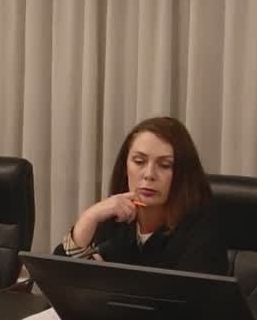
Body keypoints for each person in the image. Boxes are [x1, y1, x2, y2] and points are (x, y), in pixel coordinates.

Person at [54, 116, 228, 275]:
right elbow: (56, 282)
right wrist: (88, 219)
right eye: (139, 161)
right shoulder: (114, 219)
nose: (149, 174)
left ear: (183, 173)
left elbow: (187, 297)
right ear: (125, 167)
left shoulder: (203, 230)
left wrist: (111, 282)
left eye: (165, 165)